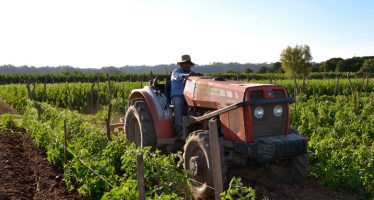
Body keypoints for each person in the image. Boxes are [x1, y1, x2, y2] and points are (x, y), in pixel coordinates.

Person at [171, 54, 197, 135]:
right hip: (178, 96)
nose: (187, 65)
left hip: (189, 96)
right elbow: (177, 77)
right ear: (181, 64)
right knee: (178, 103)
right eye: (185, 63)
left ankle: (193, 126)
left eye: (188, 63)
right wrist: (186, 75)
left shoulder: (192, 73)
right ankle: (178, 128)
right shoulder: (176, 72)